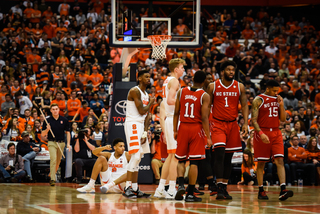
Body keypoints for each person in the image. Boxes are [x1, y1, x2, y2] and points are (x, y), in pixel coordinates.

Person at [207, 60, 249, 200]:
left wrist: (245, 123)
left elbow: (244, 104)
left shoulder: (240, 86)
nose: (231, 72)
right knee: (219, 154)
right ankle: (218, 186)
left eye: (233, 69)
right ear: (222, 71)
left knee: (229, 158)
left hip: (232, 125)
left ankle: (224, 187)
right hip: (217, 124)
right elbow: (207, 107)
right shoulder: (213, 86)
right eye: (228, 69)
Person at [172, 70, 212, 202]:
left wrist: (175, 130)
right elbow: (205, 117)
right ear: (204, 81)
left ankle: (180, 185)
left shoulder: (181, 91)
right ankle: (190, 193)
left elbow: (176, 112)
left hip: (183, 126)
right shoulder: (204, 95)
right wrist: (208, 136)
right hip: (196, 128)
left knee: (181, 160)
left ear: (193, 78)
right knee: (194, 161)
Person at [251, 80, 293, 200]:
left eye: (277, 90)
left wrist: (281, 105)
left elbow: (283, 119)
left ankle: (283, 189)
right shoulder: (258, 99)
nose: (276, 92)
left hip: (276, 132)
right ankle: (261, 190)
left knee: (280, 161)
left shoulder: (278, 99)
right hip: (262, 132)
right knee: (261, 163)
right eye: (274, 90)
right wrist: (260, 133)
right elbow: (254, 120)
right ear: (268, 88)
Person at [154, 58, 185, 199]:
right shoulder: (174, 81)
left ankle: (160, 188)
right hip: (173, 119)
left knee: (170, 157)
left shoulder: (167, 80)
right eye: (182, 67)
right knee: (175, 157)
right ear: (176, 69)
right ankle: (172, 189)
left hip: (170, 119)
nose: (183, 70)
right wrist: (186, 99)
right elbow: (170, 100)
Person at [123, 69, 155, 198]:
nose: (149, 79)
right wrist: (152, 103)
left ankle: (135, 189)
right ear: (139, 78)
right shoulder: (134, 91)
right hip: (133, 124)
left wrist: (145, 131)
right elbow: (142, 110)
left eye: (149, 77)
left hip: (141, 125)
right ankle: (127, 188)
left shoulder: (146, 94)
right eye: (146, 77)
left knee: (139, 158)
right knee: (135, 157)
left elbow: (147, 116)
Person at [42, 103, 71, 186]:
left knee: (58, 161)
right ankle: (52, 179)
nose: (55, 111)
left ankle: (51, 174)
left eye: (56, 109)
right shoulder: (47, 120)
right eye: (53, 109)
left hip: (61, 143)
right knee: (53, 159)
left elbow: (68, 132)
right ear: (51, 111)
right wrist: (47, 129)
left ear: (59, 110)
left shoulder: (64, 120)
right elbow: (43, 134)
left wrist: (68, 144)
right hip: (52, 142)